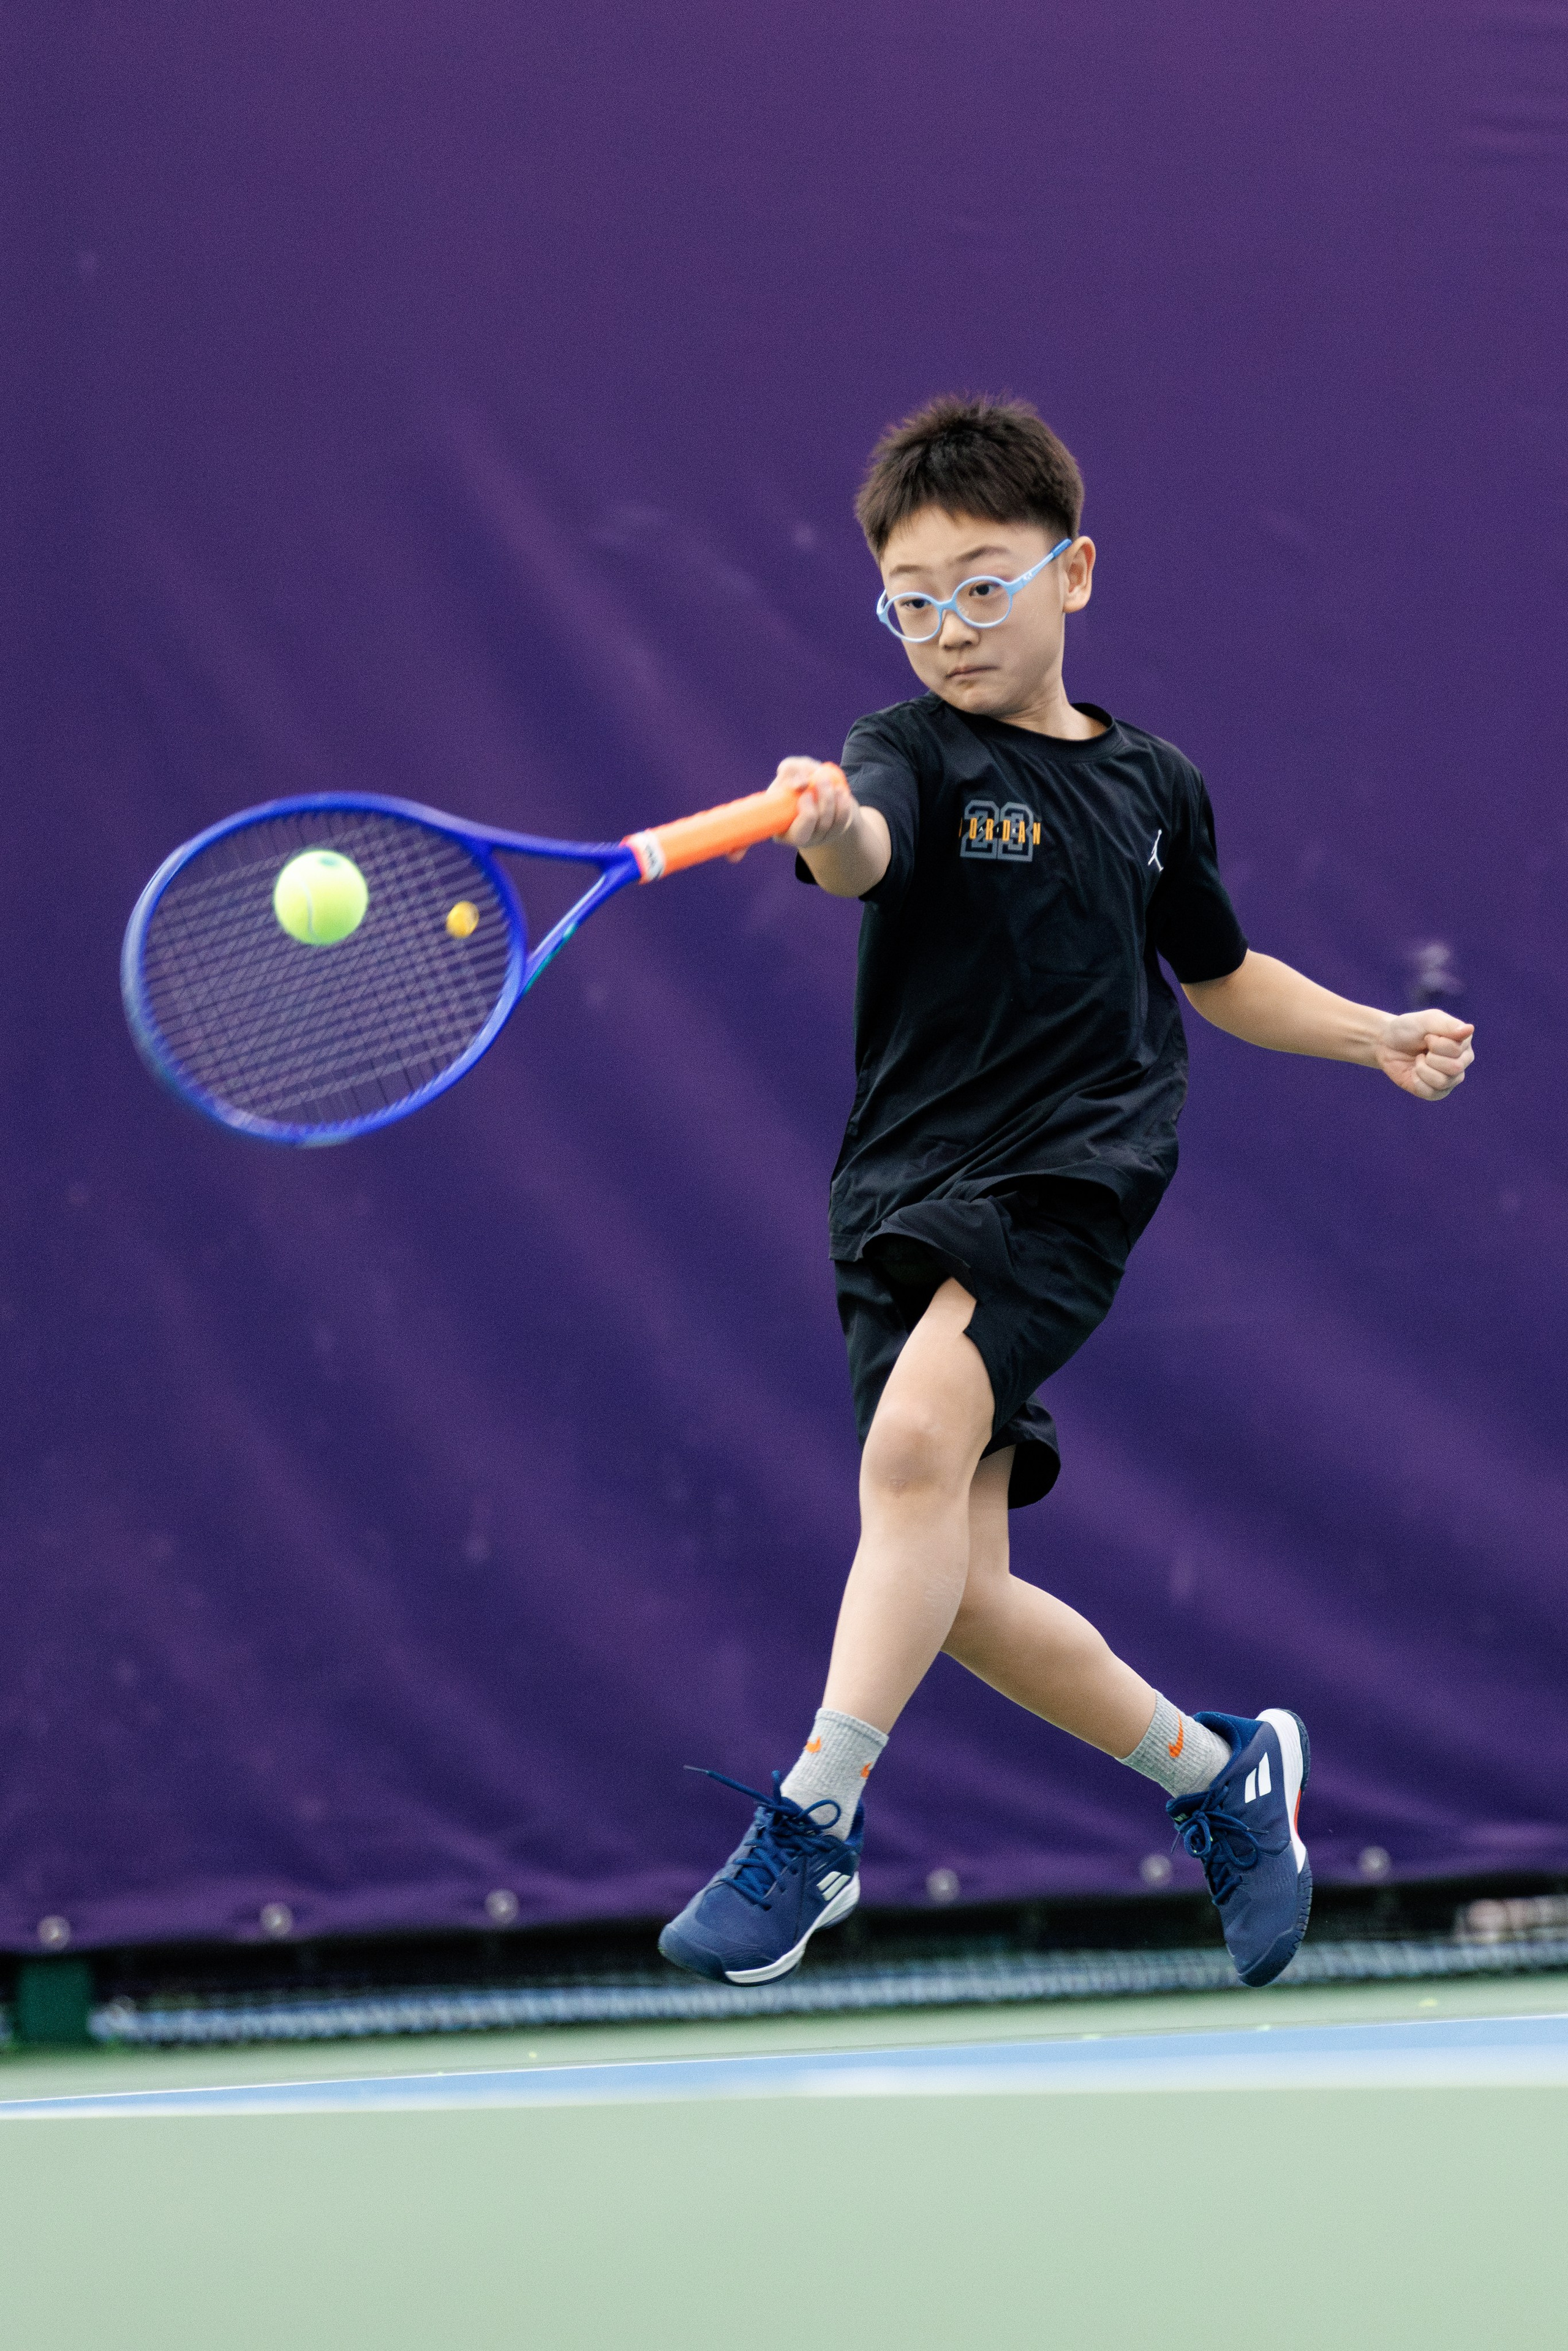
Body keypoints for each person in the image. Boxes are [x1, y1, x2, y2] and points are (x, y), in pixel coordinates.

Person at [658, 394, 1474, 1991]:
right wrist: (824, 826)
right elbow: (866, 851)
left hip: (1078, 1162)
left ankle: (815, 1819)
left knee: (906, 1451)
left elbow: (1220, 976)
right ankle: (1219, 1775)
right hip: (900, 1181)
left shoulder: (1155, 787)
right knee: (953, 1594)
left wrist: (1374, 1031)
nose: (948, 626)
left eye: (983, 582)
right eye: (910, 597)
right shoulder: (906, 751)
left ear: (1073, 574)